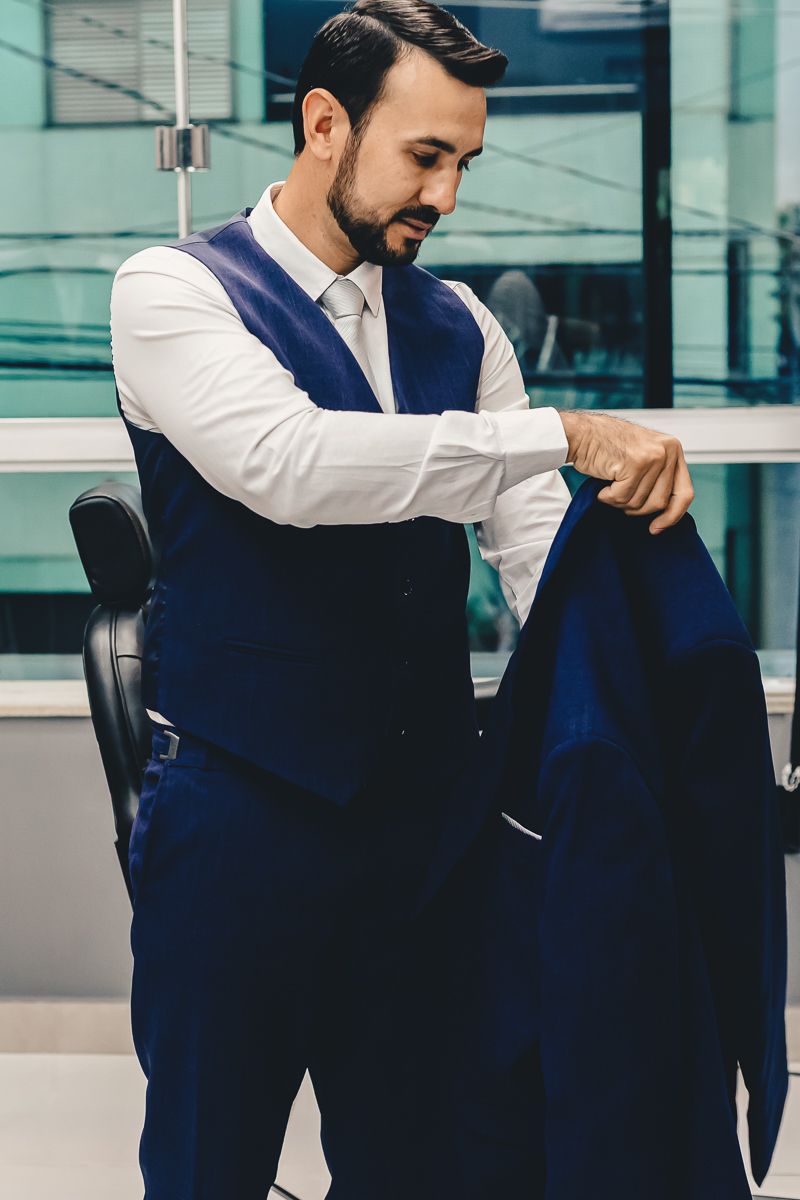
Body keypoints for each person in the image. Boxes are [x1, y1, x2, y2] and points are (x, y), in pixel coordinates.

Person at [110, 1, 694, 1195]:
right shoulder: (173, 291)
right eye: (423, 156)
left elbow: (529, 547)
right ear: (325, 122)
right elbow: (292, 466)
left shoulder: (459, 323)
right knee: (206, 1165)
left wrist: (639, 707)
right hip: (237, 826)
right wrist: (557, 433)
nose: (447, 193)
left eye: (463, 161)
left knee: (424, 1164)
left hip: (427, 833)